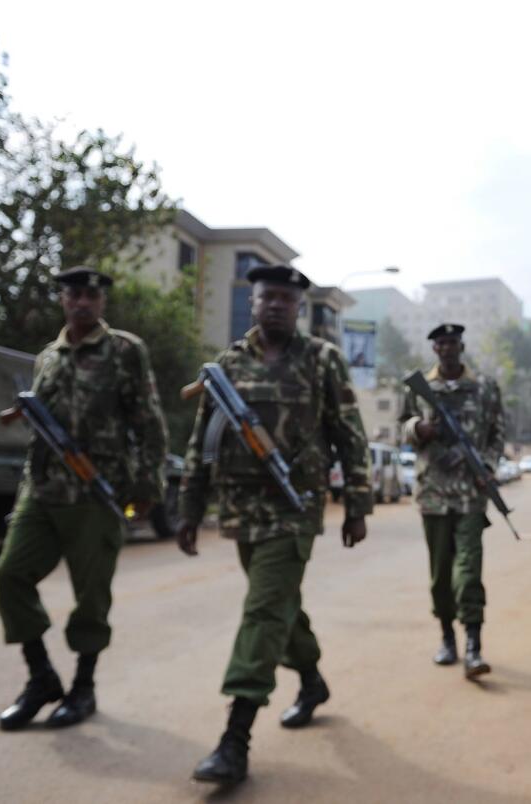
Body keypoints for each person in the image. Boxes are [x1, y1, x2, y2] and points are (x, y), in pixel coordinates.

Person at [176, 264, 372, 784]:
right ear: (254, 302)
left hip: (294, 508)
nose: (277, 306)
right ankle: (311, 680)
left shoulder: (321, 359)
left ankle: (234, 740)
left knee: (262, 610)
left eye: (287, 299)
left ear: (299, 307)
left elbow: (349, 433)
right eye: (268, 298)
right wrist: (190, 507)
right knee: (281, 605)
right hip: (240, 509)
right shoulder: (228, 362)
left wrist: (357, 503)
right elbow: (204, 441)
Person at [0, 266, 167, 731]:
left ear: (102, 301)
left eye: (91, 295)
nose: (82, 302)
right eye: (73, 295)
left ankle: (83, 688)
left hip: (97, 491)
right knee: (10, 576)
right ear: (63, 300)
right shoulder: (47, 356)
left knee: (91, 597)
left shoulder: (125, 351)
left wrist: (148, 486)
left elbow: (148, 420)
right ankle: (41, 678)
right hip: (43, 489)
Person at [399, 323, 505, 680]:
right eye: (440, 344)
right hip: (433, 494)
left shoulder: (485, 387)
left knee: (469, 571)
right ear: (434, 350)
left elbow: (497, 435)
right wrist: (418, 429)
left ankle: (474, 646)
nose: (447, 349)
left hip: (471, 495)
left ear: (461, 346)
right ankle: (447, 638)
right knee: (440, 575)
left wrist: (486, 467)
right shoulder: (419, 388)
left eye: (452, 343)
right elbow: (402, 424)